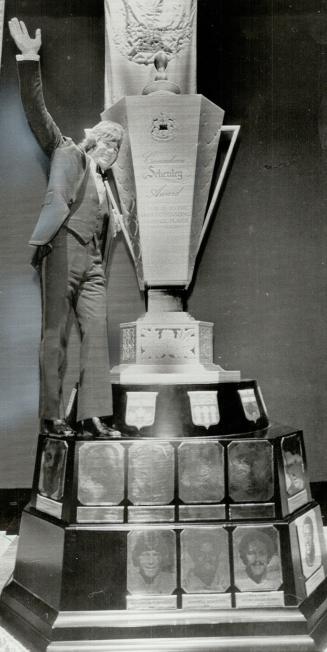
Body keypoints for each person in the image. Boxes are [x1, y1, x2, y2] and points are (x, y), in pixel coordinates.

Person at [8, 18, 124, 439]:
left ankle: (93, 415)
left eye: (118, 146)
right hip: (62, 250)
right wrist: (29, 59)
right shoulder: (65, 151)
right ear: (93, 140)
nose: (113, 149)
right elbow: (36, 111)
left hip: (92, 262)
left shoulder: (109, 188)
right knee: (54, 333)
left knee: (96, 336)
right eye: (109, 141)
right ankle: (52, 417)